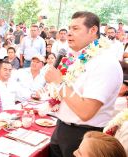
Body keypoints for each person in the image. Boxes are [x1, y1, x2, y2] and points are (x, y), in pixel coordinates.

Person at [45, 11, 123, 157]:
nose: (68, 33)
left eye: (75, 29)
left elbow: (86, 111)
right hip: (62, 128)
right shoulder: (78, 58)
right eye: (69, 28)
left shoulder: (105, 62)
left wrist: (58, 82)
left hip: (85, 138)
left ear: (93, 30)